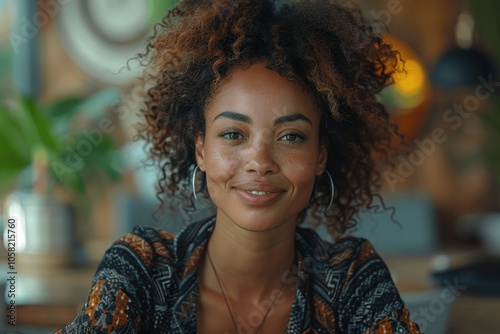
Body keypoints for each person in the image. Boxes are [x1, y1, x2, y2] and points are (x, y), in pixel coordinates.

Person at [58, 0, 421, 333]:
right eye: (233, 134)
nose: (260, 162)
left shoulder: (351, 279)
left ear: (321, 154)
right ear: (200, 148)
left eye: (291, 136)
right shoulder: (141, 270)